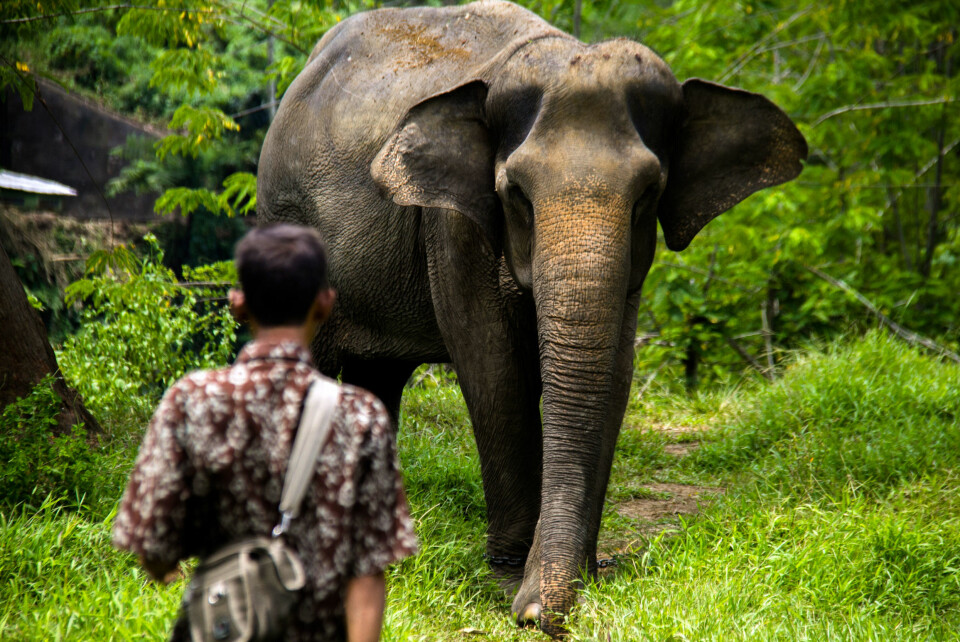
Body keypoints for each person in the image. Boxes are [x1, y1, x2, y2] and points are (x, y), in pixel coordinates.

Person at [113, 224, 418, 641]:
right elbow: (367, 575)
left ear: (237, 303)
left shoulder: (191, 400)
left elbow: (154, 553)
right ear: (325, 304)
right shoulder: (361, 416)